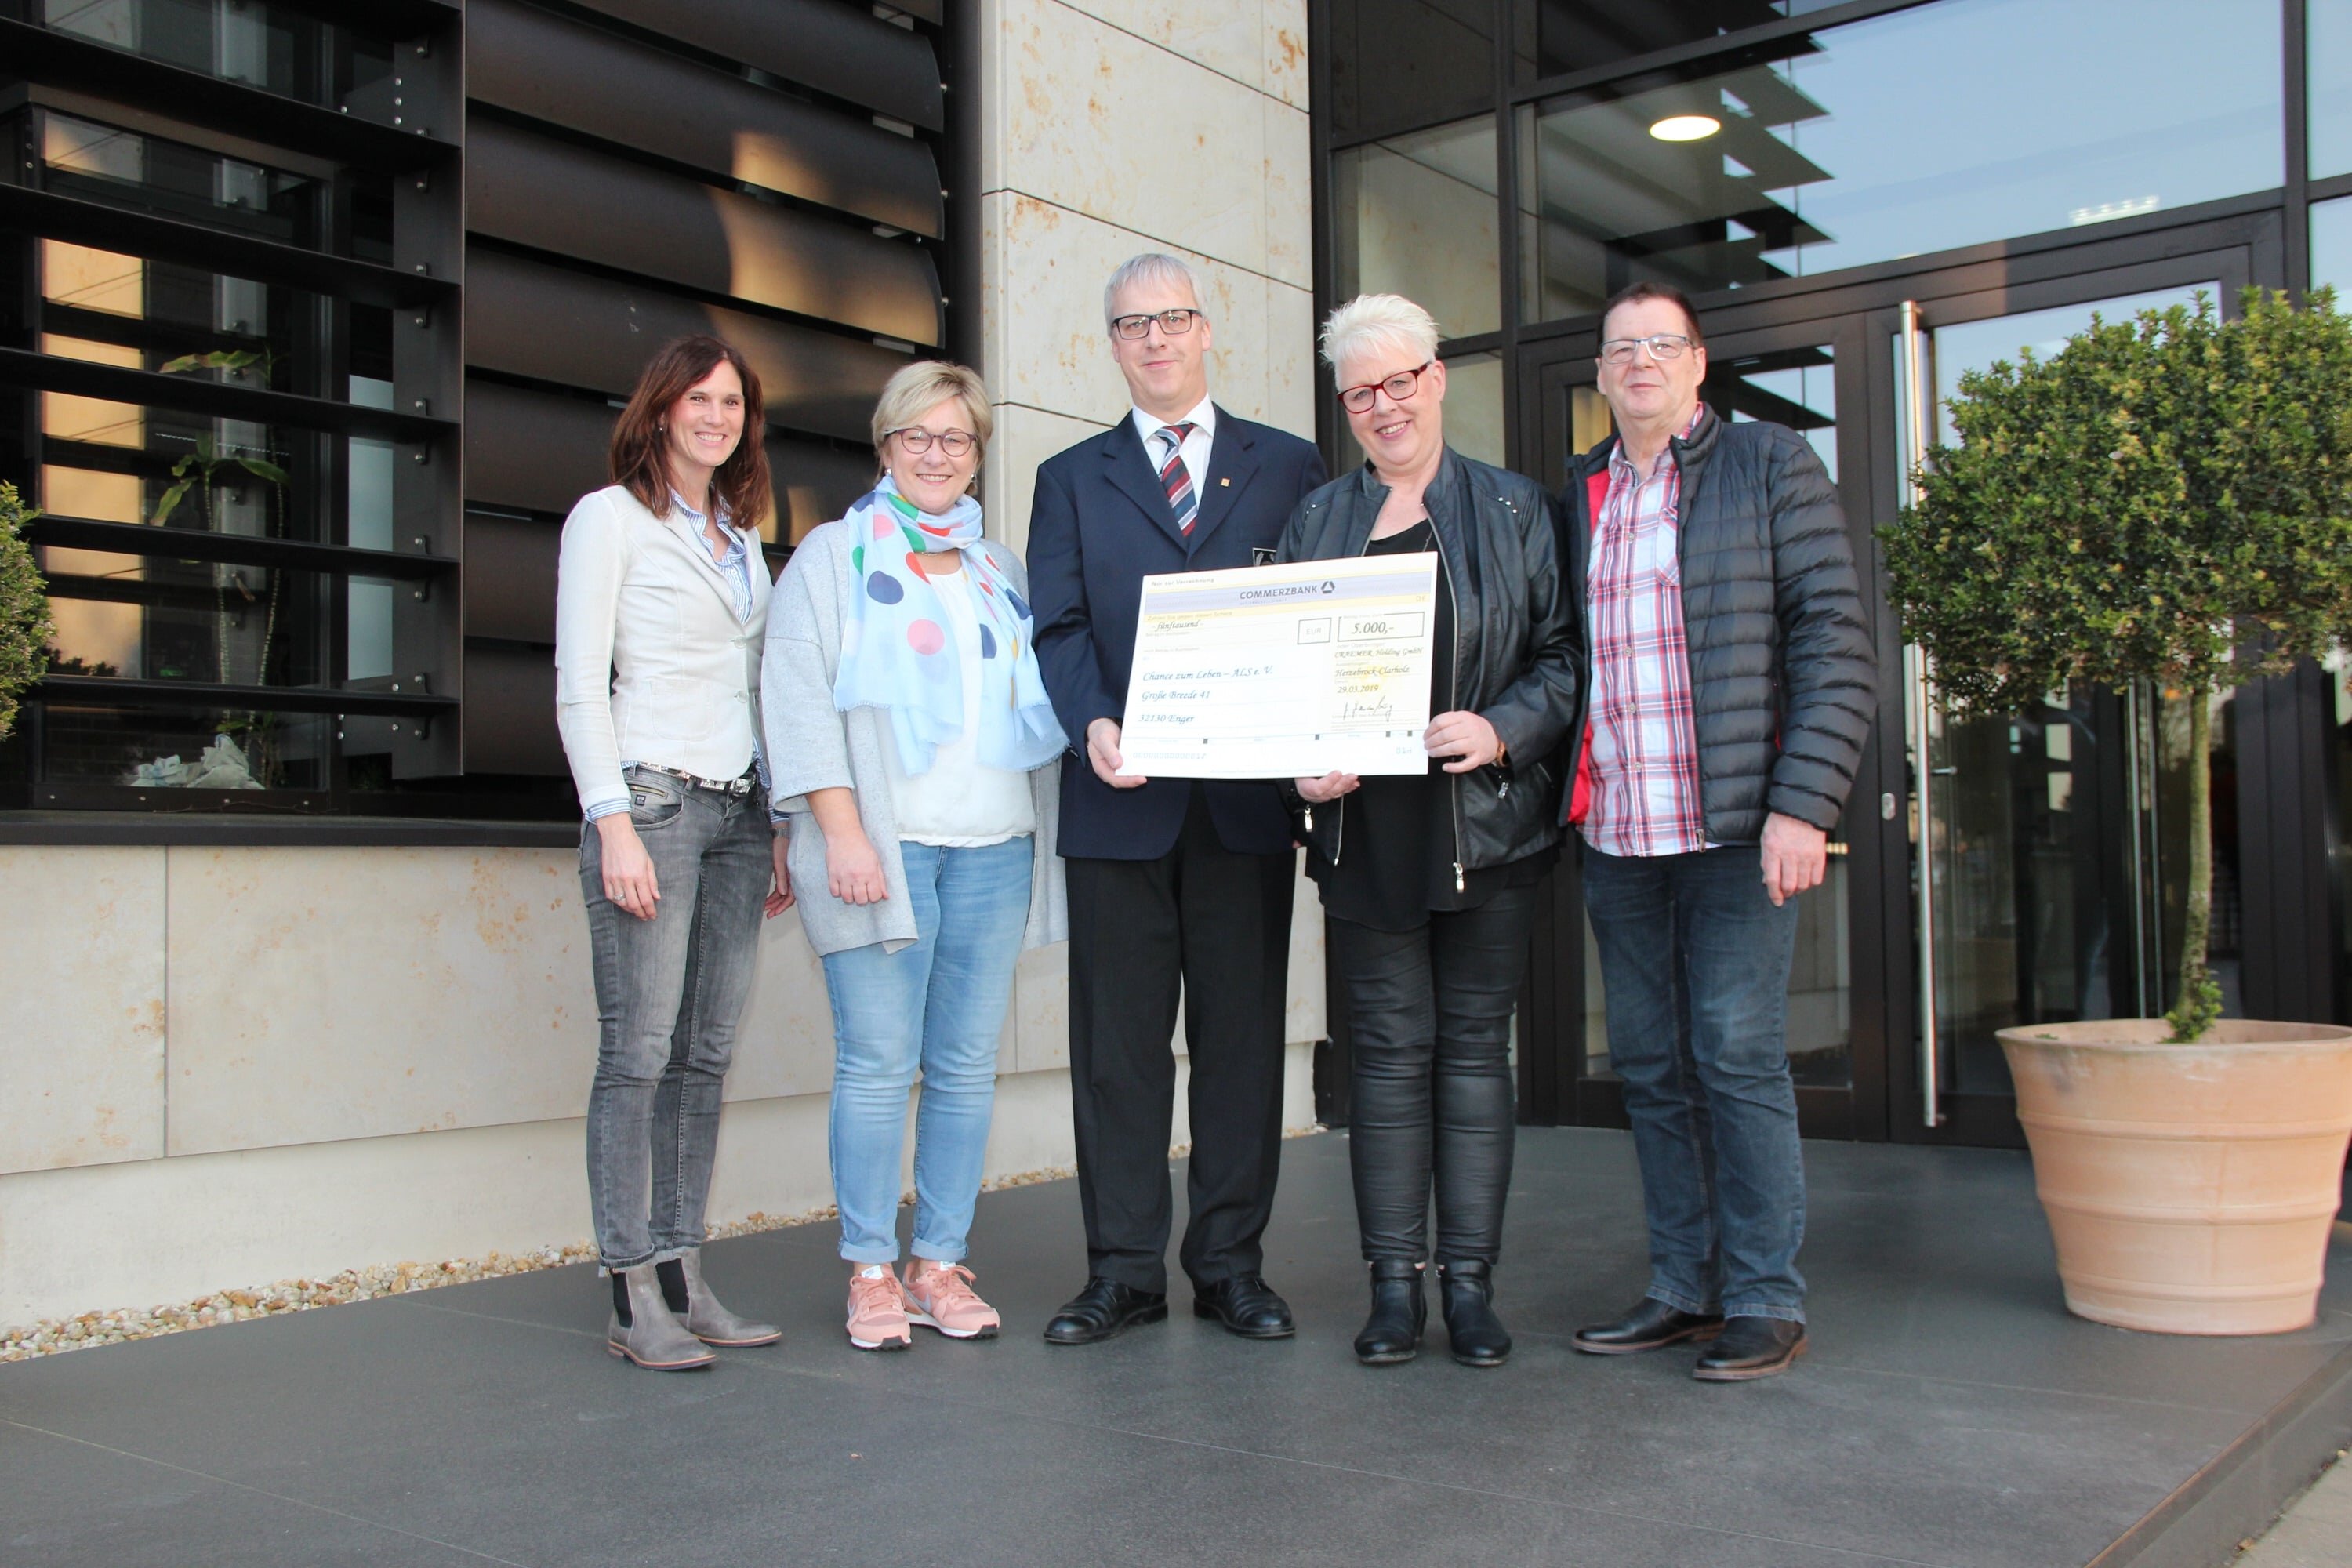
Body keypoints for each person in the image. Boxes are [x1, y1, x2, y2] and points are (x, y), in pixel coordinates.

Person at [1562, 281, 1877, 1381]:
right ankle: (1682, 1286)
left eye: (1661, 344)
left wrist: (1804, 804)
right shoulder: (1585, 490)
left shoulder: (1769, 466)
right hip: (1621, 835)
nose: (1639, 362)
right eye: (1620, 349)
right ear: (1601, 377)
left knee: (1737, 1058)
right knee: (1652, 1067)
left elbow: (1836, 642)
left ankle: (1761, 1295)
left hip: (1741, 826)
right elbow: (1569, 666)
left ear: (1698, 365)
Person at [1026, 253, 1329, 1345]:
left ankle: (1231, 1267)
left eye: (1172, 320)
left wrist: (1320, 738)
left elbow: (1316, 618)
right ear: (1110, 344)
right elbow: (1055, 627)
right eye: (1131, 325)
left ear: (1208, 330)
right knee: (1117, 1051)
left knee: (1243, 1045)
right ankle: (1123, 1273)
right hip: (1119, 800)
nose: (1154, 339)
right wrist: (1093, 722)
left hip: (1246, 807)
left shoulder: (1291, 467)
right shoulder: (1069, 477)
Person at [1278, 295, 1577, 1368]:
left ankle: (1472, 1287)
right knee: (1389, 1064)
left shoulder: (1515, 510)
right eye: (1362, 392)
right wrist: (1298, 767)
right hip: (1365, 840)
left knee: (1471, 1062)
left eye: (1401, 380)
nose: (1385, 406)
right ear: (1346, 406)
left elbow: (1561, 659)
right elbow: (1283, 677)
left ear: (1438, 378)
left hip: (1482, 832)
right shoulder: (1317, 521)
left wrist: (1503, 729)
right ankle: (1394, 1288)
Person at [763, 361, 1066, 1352]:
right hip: (882, 854)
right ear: (886, 445)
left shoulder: (1001, 568)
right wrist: (842, 832)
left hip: (994, 846)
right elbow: (799, 701)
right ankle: (868, 1267)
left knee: (968, 1064)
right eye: (917, 437)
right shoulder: (834, 556)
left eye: (956, 439)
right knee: (878, 1061)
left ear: (977, 453)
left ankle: (938, 1259)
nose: (936, 456)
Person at [555, 334, 788, 1371]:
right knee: (639, 1055)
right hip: (649, 805)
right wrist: (611, 823)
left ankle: (687, 1276)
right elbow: (577, 682)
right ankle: (628, 1289)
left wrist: (778, 821)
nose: (715, 415)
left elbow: (759, 689)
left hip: (739, 817)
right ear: (657, 410)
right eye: (697, 397)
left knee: (703, 1056)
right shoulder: (609, 521)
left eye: (731, 400)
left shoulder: (742, 538)